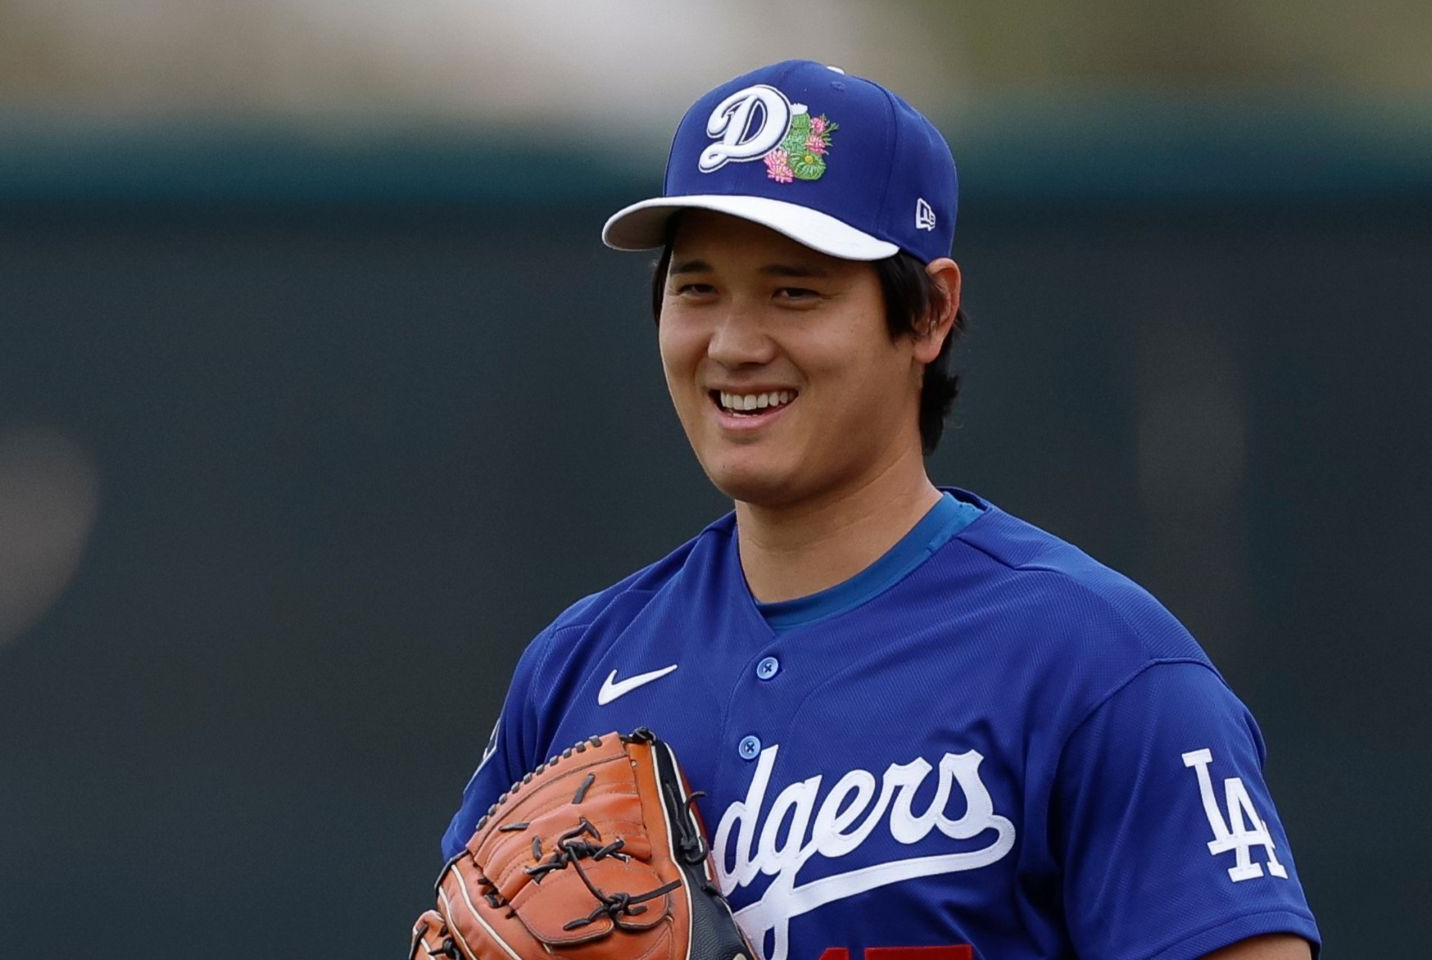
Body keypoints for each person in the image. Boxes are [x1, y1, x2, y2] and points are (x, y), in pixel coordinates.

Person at [441, 60, 1320, 960]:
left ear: (930, 312)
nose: (735, 344)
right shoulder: (575, 669)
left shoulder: (1100, 665)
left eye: (795, 291)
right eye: (698, 288)